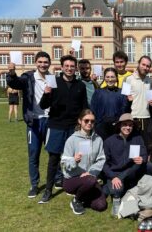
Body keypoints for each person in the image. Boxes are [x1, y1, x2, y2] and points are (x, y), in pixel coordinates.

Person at [6, 51, 62, 198]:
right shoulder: (28, 77)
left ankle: (58, 178)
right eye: (40, 62)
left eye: (45, 62)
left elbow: (56, 98)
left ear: (49, 63)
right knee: (34, 154)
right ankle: (34, 184)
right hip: (34, 121)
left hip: (49, 120)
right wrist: (11, 73)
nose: (43, 64)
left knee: (54, 152)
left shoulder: (52, 78)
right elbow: (15, 83)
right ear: (36, 63)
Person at [38, 55, 88, 203]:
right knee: (54, 159)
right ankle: (48, 190)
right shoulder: (54, 82)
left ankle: (77, 187)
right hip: (56, 126)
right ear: (61, 67)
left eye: (72, 66)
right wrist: (46, 93)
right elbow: (43, 105)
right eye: (66, 66)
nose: (69, 68)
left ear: (76, 68)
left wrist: (85, 124)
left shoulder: (80, 85)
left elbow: (84, 107)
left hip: (74, 127)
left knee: (79, 158)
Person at [61, 109, 107, 215]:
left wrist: (91, 172)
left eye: (92, 121)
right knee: (90, 181)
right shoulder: (71, 140)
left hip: (90, 177)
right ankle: (76, 200)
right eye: (86, 120)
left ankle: (83, 196)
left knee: (101, 206)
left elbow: (101, 159)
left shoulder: (98, 139)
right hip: (72, 179)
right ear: (80, 121)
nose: (89, 123)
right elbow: (63, 165)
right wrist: (74, 161)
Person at [103, 113, 147, 216]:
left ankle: (128, 191)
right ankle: (115, 198)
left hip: (130, 171)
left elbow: (144, 153)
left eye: (130, 125)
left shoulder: (137, 138)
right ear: (119, 126)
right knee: (117, 189)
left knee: (148, 166)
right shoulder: (109, 141)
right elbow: (104, 163)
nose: (128, 127)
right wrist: (113, 177)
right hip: (114, 173)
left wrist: (142, 158)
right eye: (125, 124)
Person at [124, 56, 152, 156]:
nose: (145, 67)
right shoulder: (128, 79)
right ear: (138, 64)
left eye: (148, 66)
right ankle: (133, 169)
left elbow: (149, 97)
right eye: (143, 64)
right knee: (133, 146)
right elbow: (123, 99)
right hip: (133, 117)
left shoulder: (149, 80)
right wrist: (127, 99)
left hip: (146, 117)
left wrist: (151, 102)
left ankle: (145, 168)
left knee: (147, 146)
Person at [91, 67, 129, 140]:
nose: (110, 79)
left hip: (117, 127)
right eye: (107, 77)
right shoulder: (98, 92)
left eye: (112, 77)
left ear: (116, 78)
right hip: (101, 128)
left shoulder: (122, 92)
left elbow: (125, 109)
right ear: (104, 78)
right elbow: (93, 109)